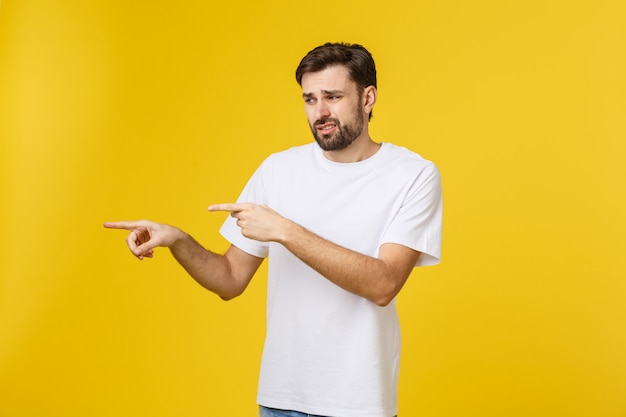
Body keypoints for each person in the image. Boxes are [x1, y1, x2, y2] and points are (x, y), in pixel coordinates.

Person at [104, 42, 442, 417]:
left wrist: (285, 230)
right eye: (310, 99)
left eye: (333, 96)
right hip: (282, 401)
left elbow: (383, 284)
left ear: (368, 98)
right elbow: (230, 279)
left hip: (358, 404)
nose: (321, 112)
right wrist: (178, 240)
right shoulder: (278, 170)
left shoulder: (412, 175)